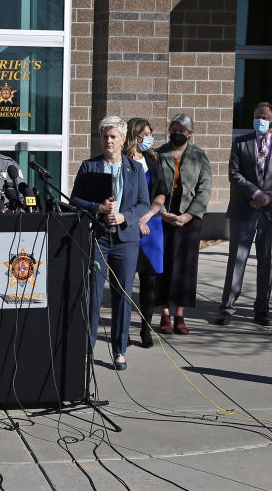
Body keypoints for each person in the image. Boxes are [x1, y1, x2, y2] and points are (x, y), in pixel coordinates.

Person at [71, 116, 149, 370]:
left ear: (123, 140)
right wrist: (98, 207)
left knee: (122, 296)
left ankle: (119, 350)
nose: (108, 140)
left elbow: (143, 205)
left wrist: (125, 216)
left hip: (125, 240)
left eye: (113, 136)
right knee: (92, 295)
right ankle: (85, 349)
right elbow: (75, 200)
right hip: (98, 238)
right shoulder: (89, 166)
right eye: (105, 136)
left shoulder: (135, 169)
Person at [217, 102, 272, 326]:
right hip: (245, 208)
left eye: (265, 117)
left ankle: (262, 310)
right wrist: (255, 193)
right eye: (256, 116)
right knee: (237, 260)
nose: (260, 120)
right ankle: (227, 308)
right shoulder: (241, 143)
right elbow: (234, 173)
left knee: (267, 262)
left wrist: (269, 196)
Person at [156, 113, 213, 334]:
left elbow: (205, 188)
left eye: (181, 130)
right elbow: (151, 185)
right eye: (174, 129)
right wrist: (162, 213)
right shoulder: (159, 154)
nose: (176, 134)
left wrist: (189, 215)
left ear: (190, 133)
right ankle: (164, 314)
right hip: (163, 212)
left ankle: (180, 314)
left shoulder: (199, 156)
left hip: (189, 217)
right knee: (163, 265)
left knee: (185, 267)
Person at [124, 118, 167, 348]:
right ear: (134, 135)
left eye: (151, 134)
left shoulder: (153, 158)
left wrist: (147, 215)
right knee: (126, 279)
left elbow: (161, 192)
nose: (148, 138)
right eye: (145, 134)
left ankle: (146, 328)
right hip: (128, 224)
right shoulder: (122, 159)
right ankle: (123, 330)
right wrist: (135, 218)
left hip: (152, 226)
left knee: (149, 280)